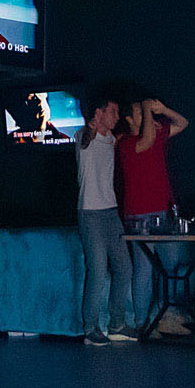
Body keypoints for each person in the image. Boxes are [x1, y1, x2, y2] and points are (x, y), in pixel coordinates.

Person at [117, 96, 191, 336]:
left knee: (172, 267)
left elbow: (183, 123)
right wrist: (149, 110)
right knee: (144, 269)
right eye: (140, 112)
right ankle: (143, 323)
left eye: (144, 111)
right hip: (139, 215)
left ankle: (168, 316)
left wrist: (164, 109)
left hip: (164, 210)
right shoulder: (125, 142)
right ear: (129, 119)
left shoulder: (157, 132)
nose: (145, 114)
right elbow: (146, 141)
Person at [75, 93, 134, 345]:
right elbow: (89, 135)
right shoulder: (83, 136)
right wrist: (93, 121)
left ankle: (117, 324)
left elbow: (116, 137)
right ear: (99, 113)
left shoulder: (109, 138)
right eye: (113, 112)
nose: (117, 117)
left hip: (111, 212)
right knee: (98, 270)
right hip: (90, 214)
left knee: (124, 267)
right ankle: (90, 328)